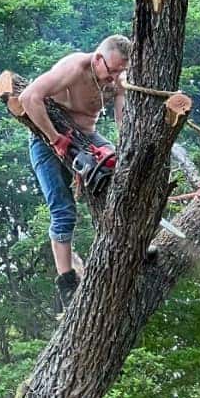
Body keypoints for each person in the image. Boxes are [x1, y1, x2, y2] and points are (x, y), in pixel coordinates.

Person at [19, 34, 130, 310]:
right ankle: (67, 281)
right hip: (47, 140)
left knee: (124, 178)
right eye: (112, 70)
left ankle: (135, 243)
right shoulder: (75, 66)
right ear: (97, 58)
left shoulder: (118, 80)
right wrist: (55, 138)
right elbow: (28, 97)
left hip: (89, 138)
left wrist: (123, 153)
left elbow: (123, 122)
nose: (114, 77)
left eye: (120, 71)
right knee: (63, 211)